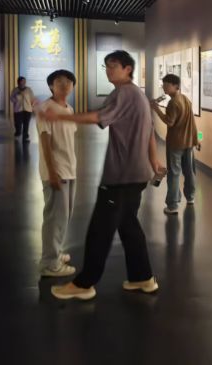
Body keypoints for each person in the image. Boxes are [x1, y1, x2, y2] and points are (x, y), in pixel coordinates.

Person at [40, 50, 165, 301]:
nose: (108, 70)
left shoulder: (123, 93)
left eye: (113, 66)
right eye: (106, 66)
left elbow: (99, 116)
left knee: (100, 230)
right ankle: (142, 277)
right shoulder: (138, 94)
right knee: (128, 226)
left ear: (127, 69)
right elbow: (149, 130)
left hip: (120, 176)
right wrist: (152, 161)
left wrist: (60, 115)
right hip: (137, 175)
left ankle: (84, 284)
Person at [36, 70, 78, 277]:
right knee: (55, 218)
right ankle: (49, 263)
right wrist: (52, 172)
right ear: (51, 86)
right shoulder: (46, 108)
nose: (64, 85)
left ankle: (55, 252)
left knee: (64, 216)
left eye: (69, 81)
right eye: (59, 81)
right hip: (57, 171)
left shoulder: (69, 109)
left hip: (70, 169)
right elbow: (45, 141)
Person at [151, 74, 200, 215]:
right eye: (164, 85)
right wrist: (197, 139)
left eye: (167, 85)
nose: (164, 87)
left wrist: (156, 108)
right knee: (189, 171)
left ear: (176, 86)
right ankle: (190, 197)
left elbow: (169, 122)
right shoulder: (185, 99)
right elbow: (193, 122)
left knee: (174, 173)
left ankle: (172, 205)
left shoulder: (173, 103)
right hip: (188, 142)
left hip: (175, 143)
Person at [10, 76, 35, 141]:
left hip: (27, 109)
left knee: (26, 123)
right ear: (18, 82)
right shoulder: (15, 90)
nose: (23, 82)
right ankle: (18, 133)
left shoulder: (28, 89)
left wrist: (33, 106)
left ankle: (25, 136)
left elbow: (32, 98)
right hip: (18, 109)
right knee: (18, 123)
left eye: (24, 81)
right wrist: (16, 100)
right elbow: (11, 98)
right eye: (22, 81)